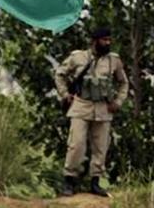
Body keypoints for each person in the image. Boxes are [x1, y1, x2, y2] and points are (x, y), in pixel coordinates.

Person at [55, 27, 129, 197]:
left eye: (109, 40)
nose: (108, 43)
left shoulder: (114, 60)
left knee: (101, 147)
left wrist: (118, 102)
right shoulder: (78, 57)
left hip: (103, 108)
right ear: (94, 41)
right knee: (77, 144)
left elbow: (123, 82)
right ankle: (69, 181)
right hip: (81, 104)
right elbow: (60, 74)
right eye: (104, 40)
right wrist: (65, 94)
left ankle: (95, 182)